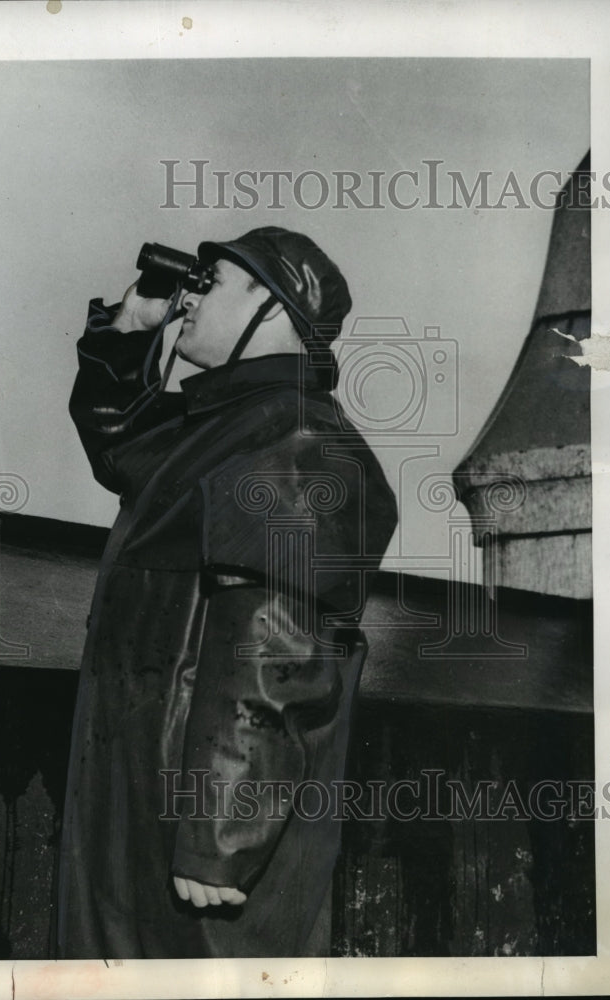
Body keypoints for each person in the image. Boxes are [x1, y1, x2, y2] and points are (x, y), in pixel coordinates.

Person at [55, 227, 398, 958]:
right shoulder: (225, 428)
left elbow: (274, 649)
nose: (190, 293)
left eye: (214, 282)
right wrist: (129, 329)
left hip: (203, 829)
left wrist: (223, 832)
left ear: (274, 310)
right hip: (146, 799)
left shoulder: (303, 444)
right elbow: (120, 446)